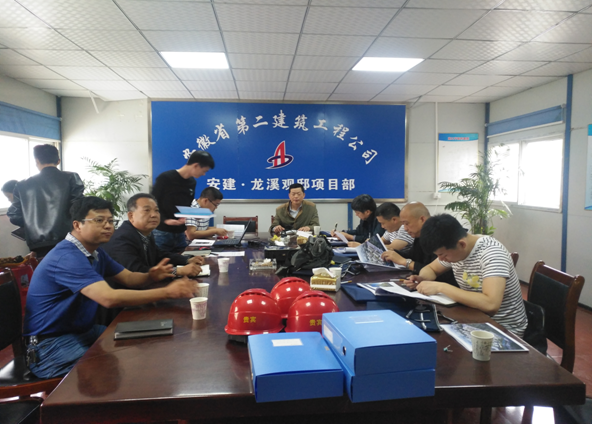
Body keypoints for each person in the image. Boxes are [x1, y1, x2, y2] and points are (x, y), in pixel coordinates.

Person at [23, 196, 195, 378]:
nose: (108, 226)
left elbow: (129, 278)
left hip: (83, 331)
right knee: (112, 374)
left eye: (111, 221)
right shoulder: (67, 257)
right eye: (99, 220)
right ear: (77, 225)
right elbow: (108, 298)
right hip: (49, 344)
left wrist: (150, 276)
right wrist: (167, 292)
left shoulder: (95, 252)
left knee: (145, 344)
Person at [408, 214, 528, 337]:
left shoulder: (492, 254)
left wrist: (441, 287)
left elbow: (491, 304)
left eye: (443, 255)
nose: (441, 259)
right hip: (473, 317)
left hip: (503, 329)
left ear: (462, 244)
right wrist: (422, 278)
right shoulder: (454, 249)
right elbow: (431, 269)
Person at [8, 144, 84, 257]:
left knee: (47, 267)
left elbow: (14, 216)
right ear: (58, 161)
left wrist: (31, 225)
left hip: (38, 244)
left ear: (37, 161)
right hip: (68, 238)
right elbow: (79, 207)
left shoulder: (22, 185)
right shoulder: (71, 177)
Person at [102, 193, 204, 277]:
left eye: (156, 210)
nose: (154, 215)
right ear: (131, 216)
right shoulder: (122, 238)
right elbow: (135, 271)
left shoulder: (144, 233)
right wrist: (177, 271)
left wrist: (187, 259)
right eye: (147, 210)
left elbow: (159, 255)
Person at [152, 151, 215, 253]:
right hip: (162, 232)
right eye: (204, 171)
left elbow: (187, 206)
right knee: (162, 261)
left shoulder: (192, 183)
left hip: (180, 233)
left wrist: (188, 216)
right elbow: (153, 202)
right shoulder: (166, 178)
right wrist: (165, 220)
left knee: (183, 260)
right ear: (196, 165)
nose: (204, 174)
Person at [381, 202, 456, 286]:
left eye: (407, 223)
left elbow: (442, 276)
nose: (405, 228)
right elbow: (415, 257)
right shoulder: (419, 235)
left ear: (422, 219)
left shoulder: (440, 236)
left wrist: (406, 262)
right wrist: (393, 252)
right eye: (403, 224)